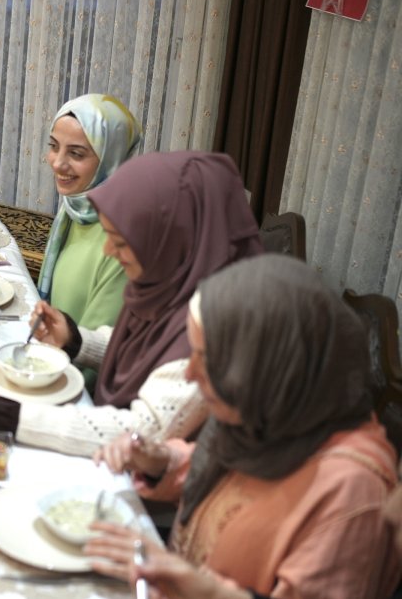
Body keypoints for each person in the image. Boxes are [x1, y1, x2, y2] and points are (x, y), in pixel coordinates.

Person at [87, 255, 400, 598]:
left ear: (270, 367)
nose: (189, 373)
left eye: (206, 358)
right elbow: (230, 484)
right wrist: (160, 460)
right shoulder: (272, 415)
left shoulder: (352, 493)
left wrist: (211, 593)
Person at [0, 151, 262, 457]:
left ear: (174, 240)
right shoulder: (174, 283)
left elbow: (141, 432)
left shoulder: (214, 326)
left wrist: (12, 418)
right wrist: (76, 339)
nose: (109, 250)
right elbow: (144, 350)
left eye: (122, 242)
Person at [38, 93, 141, 336]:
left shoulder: (122, 238)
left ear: (112, 159)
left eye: (76, 154)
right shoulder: (76, 208)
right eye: (54, 146)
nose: (57, 164)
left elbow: (99, 348)